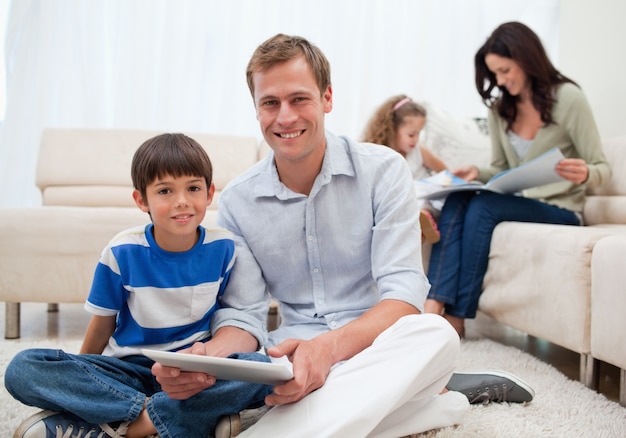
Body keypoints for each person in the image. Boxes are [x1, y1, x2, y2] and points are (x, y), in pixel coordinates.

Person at [152, 34, 535, 438]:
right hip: (292, 356)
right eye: (270, 103)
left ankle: (282, 424)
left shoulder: (384, 170)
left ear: (327, 98)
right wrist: (208, 358)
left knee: (436, 333)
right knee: (262, 377)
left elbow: (403, 294)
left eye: (299, 99)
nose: (285, 117)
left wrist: (329, 350)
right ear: (257, 109)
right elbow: (246, 314)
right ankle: (430, 403)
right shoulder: (238, 202)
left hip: (378, 343)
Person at [5, 133, 273, 438]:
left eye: (193, 188)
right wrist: (84, 374)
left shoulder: (224, 247)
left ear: (210, 193)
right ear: (141, 200)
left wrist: (209, 363)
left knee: (260, 368)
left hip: (193, 372)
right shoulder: (121, 252)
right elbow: (102, 324)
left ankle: (123, 426)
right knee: (23, 368)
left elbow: (230, 315)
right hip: (130, 372)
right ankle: (166, 418)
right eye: (165, 191)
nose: (182, 201)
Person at [424, 21, 612, 337]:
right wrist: (475, 172)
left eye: (505, 70)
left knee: (483, 208)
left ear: (526, 59)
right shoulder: (500, 110)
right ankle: (433, 305)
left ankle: (458, 317)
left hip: (561, 210)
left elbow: (601, 168)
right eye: (495, 73)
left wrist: (586, 173)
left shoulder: (568, 98)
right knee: (458, 197)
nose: (500, 80)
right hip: (519, 202)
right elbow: (501, 168)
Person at [362, 94, 448, 243]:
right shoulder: (378, 154)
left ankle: (423, 219)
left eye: (419, 134)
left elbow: (445, 171)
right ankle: (416, 223)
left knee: (425, 201)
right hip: (397, 199)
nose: (416, 139)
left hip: (422, 195)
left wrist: (454, 179)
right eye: (411, 134)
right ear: (392, 129)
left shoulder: (419, 151)